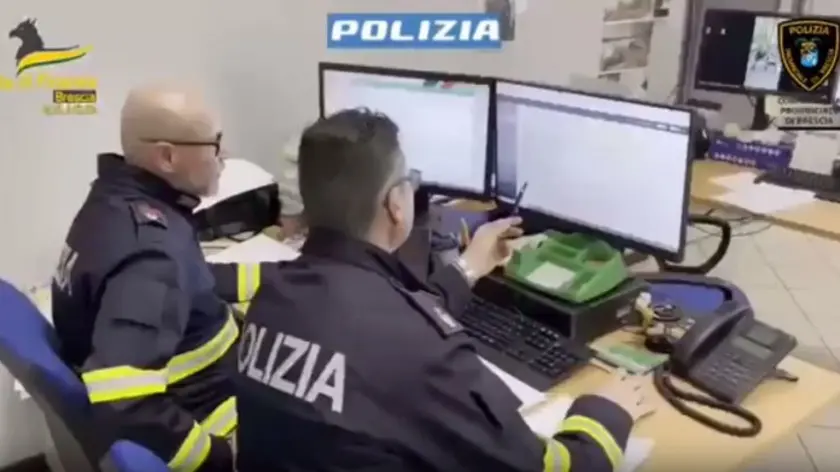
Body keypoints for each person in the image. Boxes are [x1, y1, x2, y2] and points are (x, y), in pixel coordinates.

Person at [235, 108, 654, 471]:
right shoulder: (419, 353)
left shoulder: (272, 295)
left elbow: (383, 322)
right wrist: (604, 413)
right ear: (395, 204)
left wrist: (469, 268)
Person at [52, 84, 270, 472]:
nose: (225, 155)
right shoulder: (153, 256)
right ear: (168, 157)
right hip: (214, 410)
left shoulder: (114, 202)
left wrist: (283, 278)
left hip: (209, 378)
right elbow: (126, 400)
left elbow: (191, 281)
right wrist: (220, 457)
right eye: (215, 143)